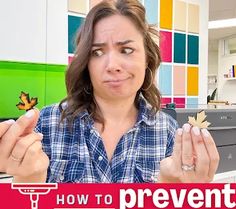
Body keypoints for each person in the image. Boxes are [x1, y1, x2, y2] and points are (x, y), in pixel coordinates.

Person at [0, 0, 219, 183]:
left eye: (126, 49)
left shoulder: (168, 131)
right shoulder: (46, 124)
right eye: (97, 52)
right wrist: (29, 177)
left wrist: (178, 193)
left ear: (147, 60)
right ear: (86, 62)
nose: (112, 64)